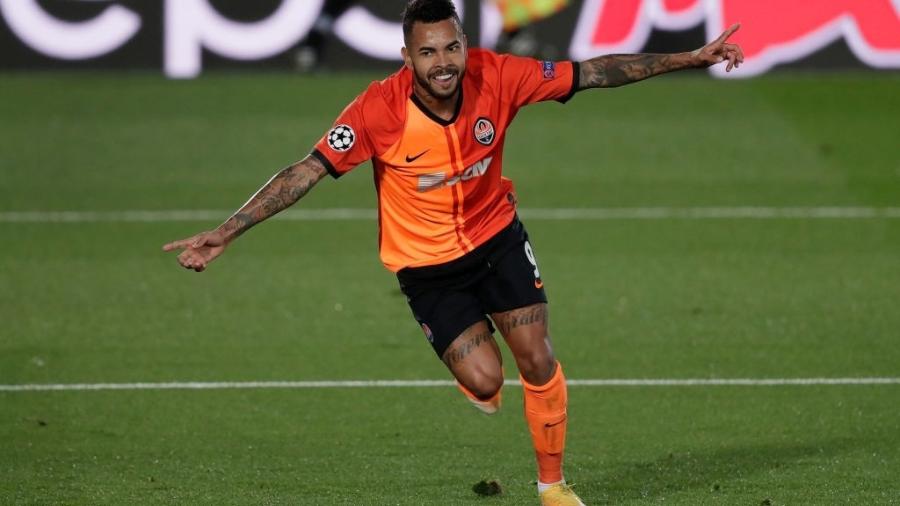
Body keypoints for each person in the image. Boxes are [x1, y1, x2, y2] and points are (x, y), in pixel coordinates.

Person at [163, 1, 743, 504]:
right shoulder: (376, 110)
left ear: (465, 44)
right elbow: (306, 171)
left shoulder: (500, 75)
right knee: (488, 381)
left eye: (451, 47)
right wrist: (229, 229)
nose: (442, 62)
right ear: (406, 55)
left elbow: (591, 72)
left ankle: (553, 487)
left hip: (497, 240)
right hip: (427, 269)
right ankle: (473, 372)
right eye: (427, 52)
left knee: (538, 359)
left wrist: (686, 58)